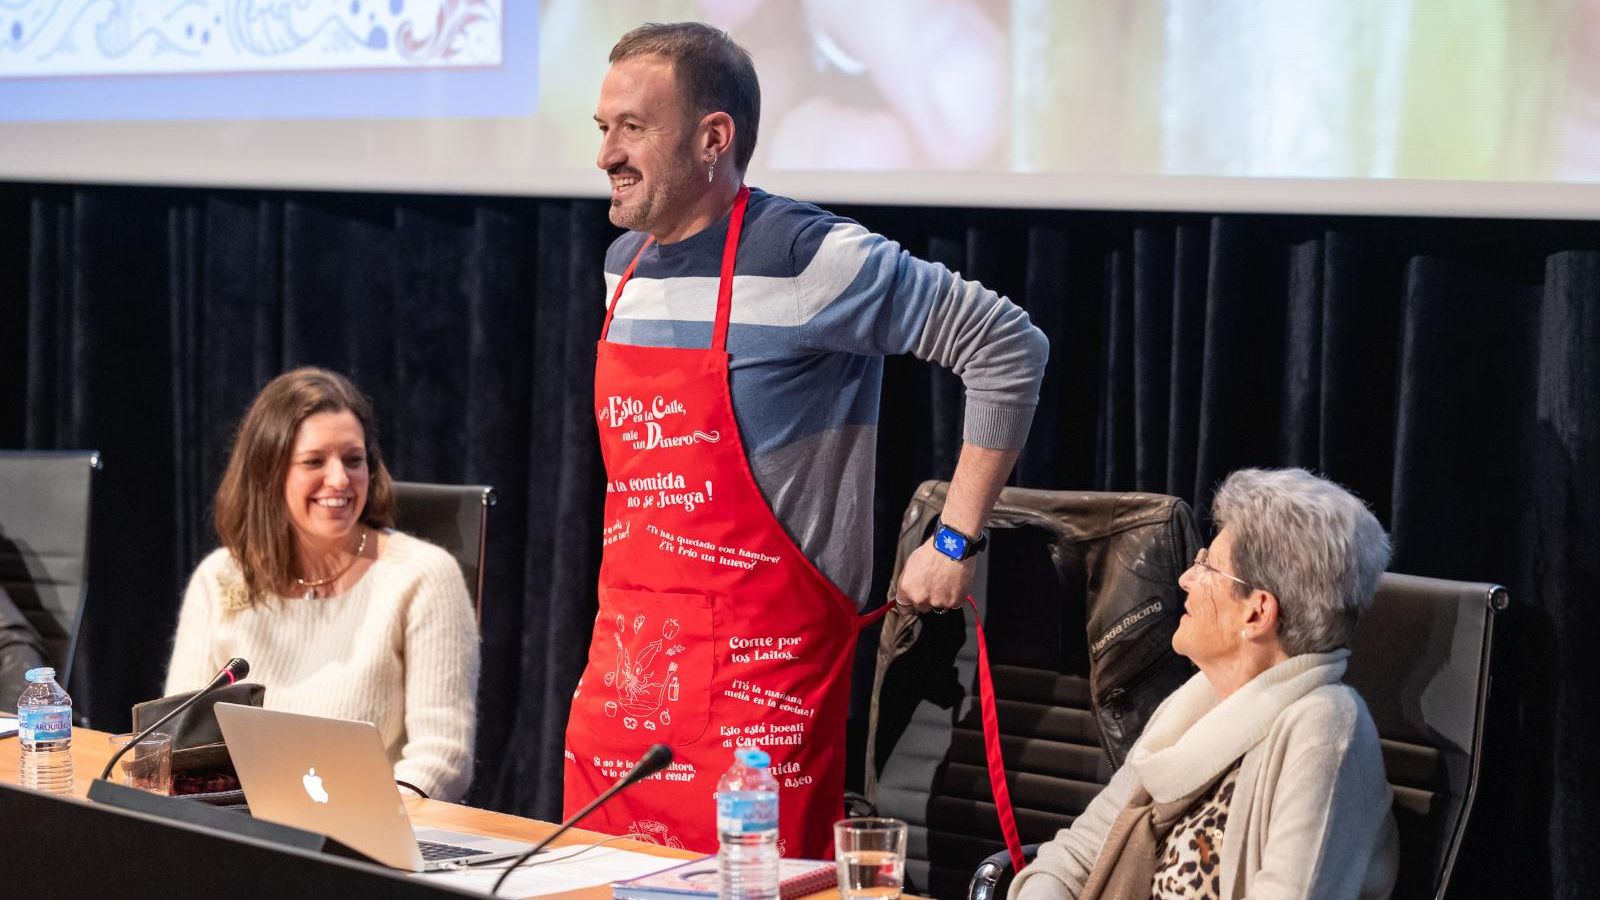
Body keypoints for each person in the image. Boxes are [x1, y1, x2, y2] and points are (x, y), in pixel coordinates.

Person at [564, 22, 1049, 858]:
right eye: (602, 129)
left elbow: (1008, 347)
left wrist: (955, 535)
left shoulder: (810, 258)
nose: (607, 153)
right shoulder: (624, 267)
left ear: (714, 138)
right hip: (625, 678)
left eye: (632, 129)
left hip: (762, 694)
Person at [1010, 468, 1398, 900]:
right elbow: (1073, 859)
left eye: (1207, 565)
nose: (1185, 579)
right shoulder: (1198, 705)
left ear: (1257, 612)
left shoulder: (1325, 728)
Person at [165, 367, 479, 802]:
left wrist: (369, 822)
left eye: (354, 460)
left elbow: (442, 757)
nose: (340, 480)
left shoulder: (424, 576)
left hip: (369, 836)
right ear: (268, 474)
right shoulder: (219, 578)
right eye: (314, 461)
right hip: (243, 828)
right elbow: (180, 742)